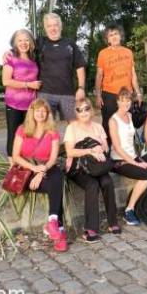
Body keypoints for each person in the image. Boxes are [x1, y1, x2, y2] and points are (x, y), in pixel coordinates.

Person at [12, 98, 67, 252]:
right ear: (32, 112)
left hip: (47, 167)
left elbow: (53, 159)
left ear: (48, 113)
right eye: (38, 110)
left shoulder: (53, 132)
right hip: (26, 169)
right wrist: (34, 169)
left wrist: (41, 172)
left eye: (44, 111)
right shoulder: (22, 129)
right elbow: (16, 156)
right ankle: (59, 231)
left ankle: (53, 223)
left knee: (57, 178)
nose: (41, 113)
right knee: (55, 188)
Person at [64, 98, 120, 242]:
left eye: (86, 108)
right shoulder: (72, 128)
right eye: (79, 110)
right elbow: (70, 152)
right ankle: (91, 229)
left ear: (91, 110)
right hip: (78, 168)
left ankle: (112, 221)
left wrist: (100, 148)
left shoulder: (98, 127)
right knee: (92, 185)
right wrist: (90, 150)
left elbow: (106, 147)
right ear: (76, 113)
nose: (83, 112)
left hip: (96, 166)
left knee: (107, 181)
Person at [109, 88, 147, 224]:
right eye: (122, 101)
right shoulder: (113, 120)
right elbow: (117, 147)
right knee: (146, 176)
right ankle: (129, 209)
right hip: (119, 160)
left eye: (128, 100)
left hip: (133, 157)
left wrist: (139, 159)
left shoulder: (129, 116)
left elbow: (132, 140)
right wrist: (137, 163)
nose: (126, 103)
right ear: (117, 102)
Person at [95, 24, 143, 140]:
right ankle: (107, 151)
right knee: (108, 124)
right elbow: (99, 75)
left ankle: (128, 150)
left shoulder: (128, 52)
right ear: (107, 39)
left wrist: (138, 92)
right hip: (109, 94)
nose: (114, 37)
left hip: (127, 95)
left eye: (116, 34)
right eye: (110, 35)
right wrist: (98, 95)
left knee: (127, 123)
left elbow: (133, 74)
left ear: (120, 36)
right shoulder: (103, 53)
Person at [2, 29, 41, 164]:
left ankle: (26, 164)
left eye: (26, 40)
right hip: (14, 104)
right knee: (13, 134)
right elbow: (6, 81)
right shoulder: (10, 57)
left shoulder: (34, 58)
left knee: (28, 135)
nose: (23, 43)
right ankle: (13, 168)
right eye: (20, 40)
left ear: (31, 42)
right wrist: (29, 84)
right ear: (15, 43)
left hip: (31, 106)